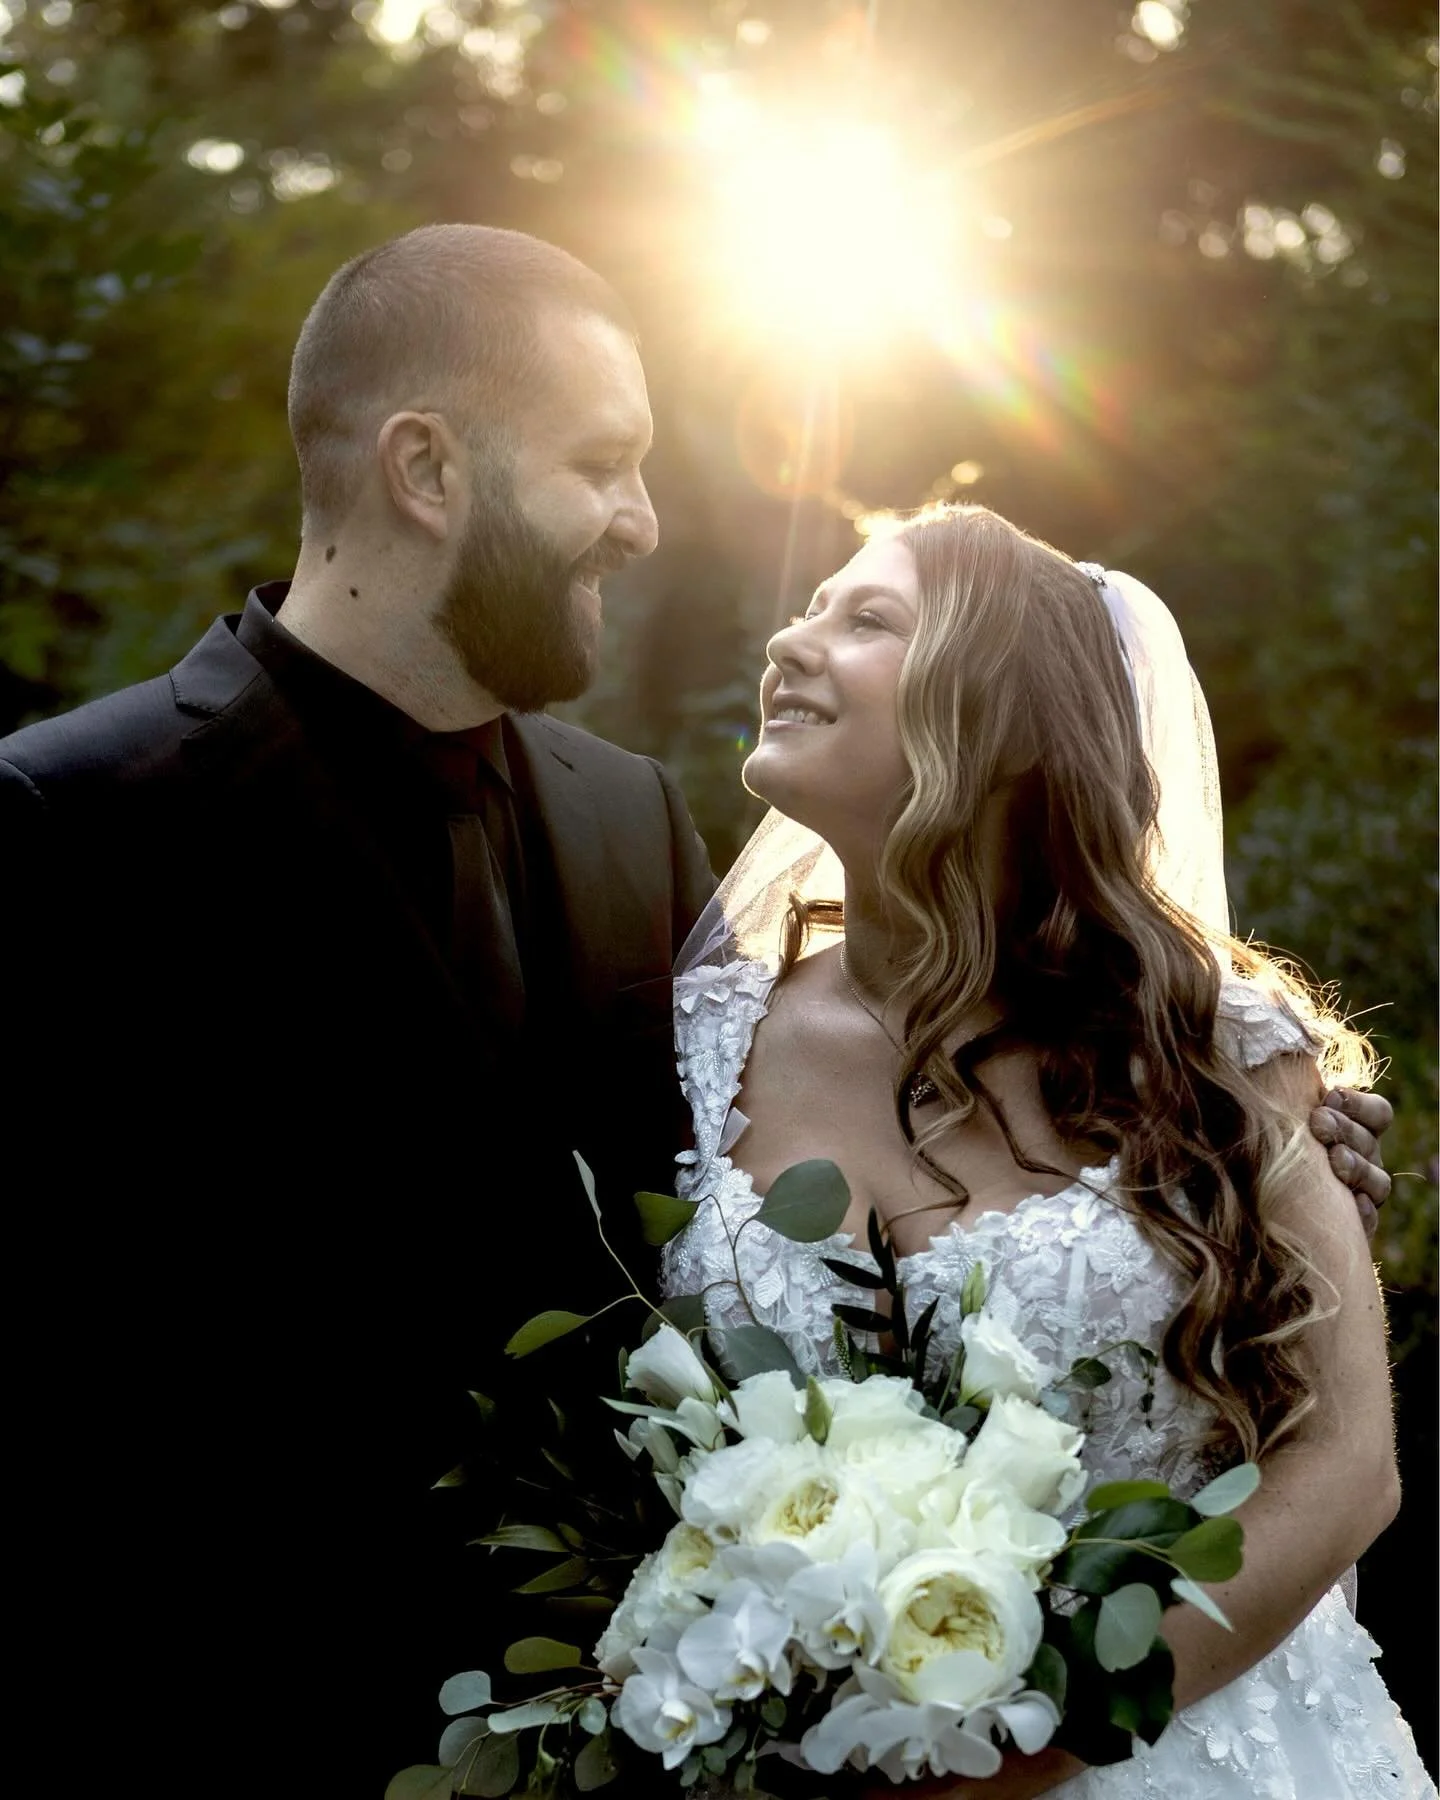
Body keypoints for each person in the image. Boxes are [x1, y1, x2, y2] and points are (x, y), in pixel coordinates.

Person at [0, 226, 713, 1790]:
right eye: (604, 464)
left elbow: (772, 1180)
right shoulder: (70, 819)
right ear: (428, 470)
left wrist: (1228, 1124)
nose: (642, 525)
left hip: (606, 1738)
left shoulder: (638, 820)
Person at [663, 504, 1430, 1798]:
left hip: (1190, 1752)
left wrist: (1035, 1744)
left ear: (995, 712)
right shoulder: (696, 1045)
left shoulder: (1214, 1046)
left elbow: (1348, 1468)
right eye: (811, 607)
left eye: (868, 618)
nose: (791, 640)